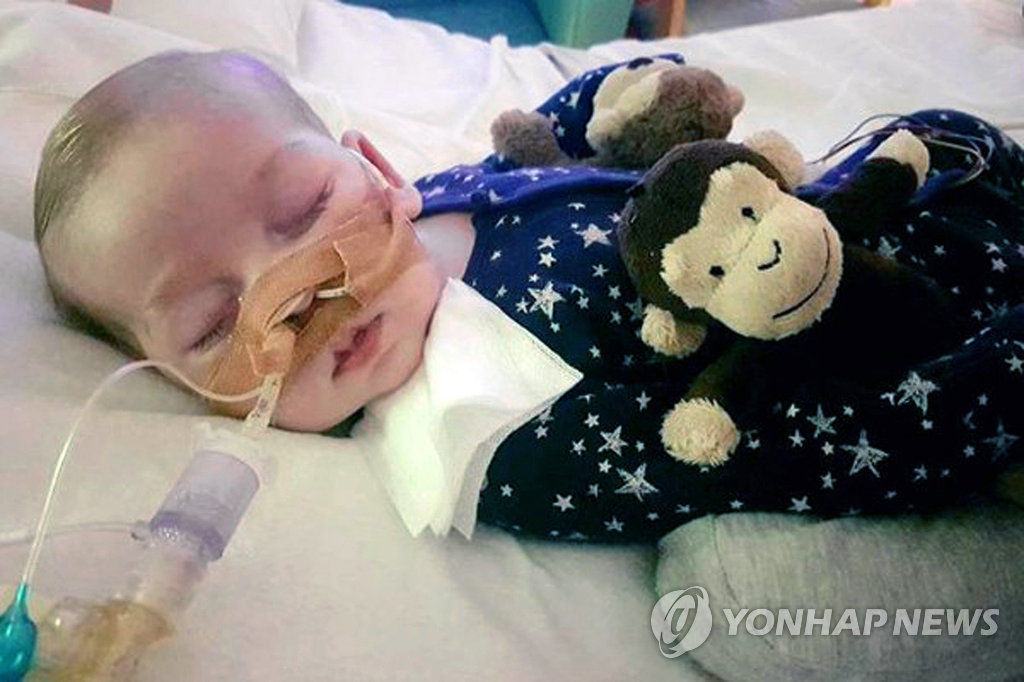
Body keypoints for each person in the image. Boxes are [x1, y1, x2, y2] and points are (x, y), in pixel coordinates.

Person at [34, 50, 1023, 541]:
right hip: (947, 307)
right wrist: (989, 384)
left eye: (301, 208)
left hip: (877, 184)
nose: (292, 296)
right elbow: (781, 451)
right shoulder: (493, 434)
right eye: (216, 324)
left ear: (377, 170)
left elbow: (538, 159)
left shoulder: (429, 206)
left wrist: (615, 96)